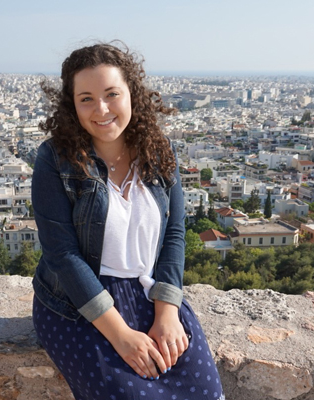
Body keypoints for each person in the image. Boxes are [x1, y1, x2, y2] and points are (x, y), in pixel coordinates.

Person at [31, 42, 224, 400]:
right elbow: (63, 256)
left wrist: (167, 315)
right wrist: (120, 335)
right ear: (72, 106)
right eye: (86, 98)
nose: (101, 109)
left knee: (204, 393)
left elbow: (175, 236)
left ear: (131, 94)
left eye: (111, 94)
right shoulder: (55, 159)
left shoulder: (159, 151)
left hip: (152, 294)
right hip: (80, 304)